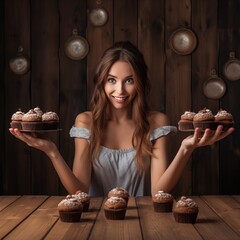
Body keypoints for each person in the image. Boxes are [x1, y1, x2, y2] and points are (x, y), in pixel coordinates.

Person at [9, 41, 234, 196]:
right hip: (95, 222)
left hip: (145, 223)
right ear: (101, 82)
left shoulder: (157, 122)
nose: (120, 90)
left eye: (129, 80)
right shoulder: (85, 122)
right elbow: (79, 191)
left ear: (139, 83)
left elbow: (159, 192)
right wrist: (51, 151)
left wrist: (186, 149)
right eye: (111, 80)